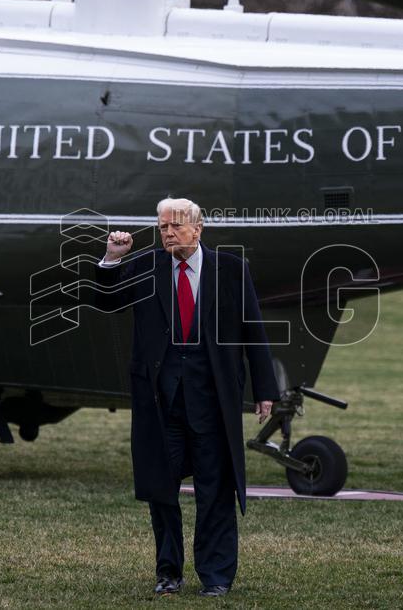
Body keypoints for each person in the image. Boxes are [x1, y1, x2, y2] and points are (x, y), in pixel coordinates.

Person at [96, 196, 279, 597]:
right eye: (163, 227)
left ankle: (216, 576)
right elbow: (107, 302)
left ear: (198, 228)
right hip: (160, 402)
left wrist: (265, 389)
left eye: (176, 225)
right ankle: (168, 572)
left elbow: (253, 329)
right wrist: (111, 259)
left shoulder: (231, 269)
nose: (169, 233)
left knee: (216, 489)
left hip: (212, 401)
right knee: (161, 490)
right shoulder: (144, 267)